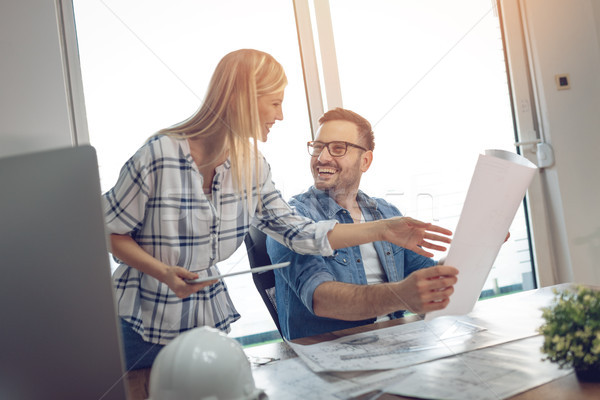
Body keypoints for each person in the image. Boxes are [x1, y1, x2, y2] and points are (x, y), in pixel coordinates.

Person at [102, 50, 451, 370]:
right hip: (141, 321)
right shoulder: (160, 155)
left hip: (206, 320)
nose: (280, 115)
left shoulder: (250, 166)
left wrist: (382, 229)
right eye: (274, 103)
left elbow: (300, 234)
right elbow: (108, 230)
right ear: (243, 99)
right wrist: (162, 271)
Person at [266, 108, 460, 340]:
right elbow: (321, 299)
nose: (322, 158)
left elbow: (430, 285)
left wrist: (472, 250)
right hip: (334, 356)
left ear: (365, 160)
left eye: (338, 148)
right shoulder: (291, 222)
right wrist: (400, 295)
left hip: (401, 344)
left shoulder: (386, 213)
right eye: (318, 147)